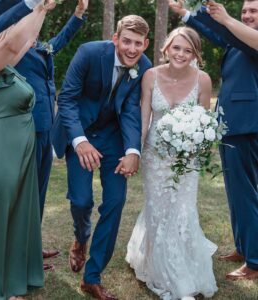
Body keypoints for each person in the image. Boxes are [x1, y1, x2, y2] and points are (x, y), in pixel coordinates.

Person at [52, 14, 151, 300]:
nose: (132, 49)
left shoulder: (143, 67)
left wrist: (133, 151)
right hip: (80, 131)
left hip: (114, 138)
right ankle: (81, 238)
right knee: (82, 200)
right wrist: (80, 141)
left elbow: (132, 111)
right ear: (116, 39)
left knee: (116, 202)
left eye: (138, 44)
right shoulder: (89, 53)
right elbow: (68, 98)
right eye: (127, 42)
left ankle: (92, 277)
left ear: (146, 44)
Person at [126, 26, 217, 300]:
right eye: (177, 48)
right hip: (155, 156)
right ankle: (165, 275)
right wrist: (137, 153)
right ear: (166, 48)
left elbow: (205, 125)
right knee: (158, 210)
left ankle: (183, 268)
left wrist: (196, 152)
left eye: (188, 50)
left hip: (186, 161)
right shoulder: (150, 76)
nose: (181, 54)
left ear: (195, 54)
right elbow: (144, 118)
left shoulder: (203, 80)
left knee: (182, 212)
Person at [169, 0, 258, 281]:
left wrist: (228, 18)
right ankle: (244, 247)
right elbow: (217, 35)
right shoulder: (238, 39)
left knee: (246, 194)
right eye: (245, 11)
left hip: (247, 126)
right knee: (236, 193)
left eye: (254, 11)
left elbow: (227, 29)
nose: (247, 15)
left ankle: (255, 261)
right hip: (230, 126)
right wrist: (187, 14)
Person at [15, 0, 88, 268]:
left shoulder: (38, 45)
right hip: (25, 128)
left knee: (40, 192)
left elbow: (59, 42)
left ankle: (32, 246)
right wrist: (40, 8)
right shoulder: (14, 46)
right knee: (25, 194)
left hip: (47, 128)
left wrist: (78, 14)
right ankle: (21, 255)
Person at [0, 2, 56, 299]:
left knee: (13, 218)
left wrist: (42, 8)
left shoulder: (6, 64)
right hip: (0, 154)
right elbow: (12, 43)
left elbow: (26, 41)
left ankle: (9, 281)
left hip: (18, 157)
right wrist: (32, 4)